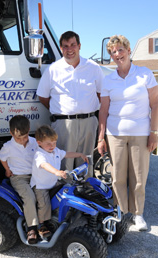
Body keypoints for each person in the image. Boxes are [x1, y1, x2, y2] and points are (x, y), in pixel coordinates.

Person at [97, 35, 158, 231]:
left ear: (128, 50)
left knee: (139, 176)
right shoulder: (108, 80)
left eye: (120, 50)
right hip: (115, 134)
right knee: (117, 177)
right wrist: (101, 137)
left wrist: (154, 132)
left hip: (141, 132)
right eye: (113, 52)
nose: (117, 54)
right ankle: (121, 212)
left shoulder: (145, 74)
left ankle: (138, 214)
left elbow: (155, 104)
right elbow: (104, 110)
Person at [37, 31, 104, 177]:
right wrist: (62, 112)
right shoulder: (52, 70)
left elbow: (101, 95)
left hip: (89, 122)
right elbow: (42, 97)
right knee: (63, 165)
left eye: (73, 45)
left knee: (86, 163)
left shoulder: (93, 68)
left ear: (79, 46)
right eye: (66, 46)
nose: (70, 49)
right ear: (61, 49)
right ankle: (65, 194)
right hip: (63, 125)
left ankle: (84, 193)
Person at [31, 125, 88, 237]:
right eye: (48, 144)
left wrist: (79, 155)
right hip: (41, 186)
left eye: (54, 143)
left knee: (68, 189)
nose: (52, 146)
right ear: (39, 143)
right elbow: (44, 165)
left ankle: (66, 212)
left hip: (53, 183)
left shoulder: (55, 151)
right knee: (44, 205)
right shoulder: (39, 154)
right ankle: (41, 225)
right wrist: (57, 172)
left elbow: (66, 154)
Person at [0, 115, 39, 244]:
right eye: (18, 138)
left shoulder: (34, 142)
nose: (22, 141)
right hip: (19, 178)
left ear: (29, 130)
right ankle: (31, 228)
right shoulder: (8, 146)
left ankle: (46, 222)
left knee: (45, 193)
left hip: (35, 175)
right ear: (11, 133)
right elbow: (2, 157)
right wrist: (7, 170)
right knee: (29, 197)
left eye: (25, 137)